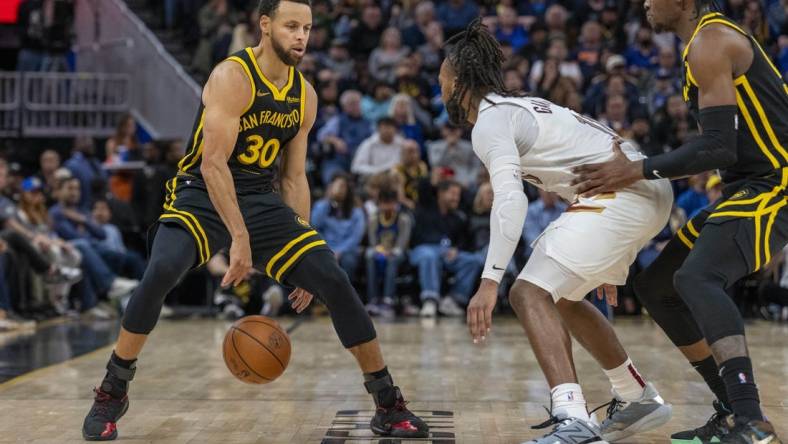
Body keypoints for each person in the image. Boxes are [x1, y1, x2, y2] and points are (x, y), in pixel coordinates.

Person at [81, 1, 427, 441]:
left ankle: (387, 405)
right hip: (201, 192)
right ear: (265, 26)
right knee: (163, 270)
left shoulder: (305, 95)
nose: (301, 36)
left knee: (333, 280)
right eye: (291, 26)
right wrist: (238, 237)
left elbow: (294, 175)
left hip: (260, 198)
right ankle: (113, 390)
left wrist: (300, 245)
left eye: (306, 28)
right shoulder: (232, 77)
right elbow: (212, 165)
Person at [438, 20, 674, 443]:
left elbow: (511, 200)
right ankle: (635, 396)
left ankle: (573, 420)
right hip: (643, 189)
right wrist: (601, 253)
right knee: (562, 296)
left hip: (624, 193)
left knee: (526, 292)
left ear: (458, 81)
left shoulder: (490, 123)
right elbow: (582, 161)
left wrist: (489, 282)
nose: (439, 90)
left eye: (441, 80)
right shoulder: (527, 107)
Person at [572, 2, 788, 443]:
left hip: (775, 184)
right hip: (747, 186)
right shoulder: (703, 42)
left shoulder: (712, 42)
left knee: (697, 278)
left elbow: (716, 149)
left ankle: (751, 421)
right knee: (658, 286)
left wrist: (638, 168)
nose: (646, 3)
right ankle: (730, 408)